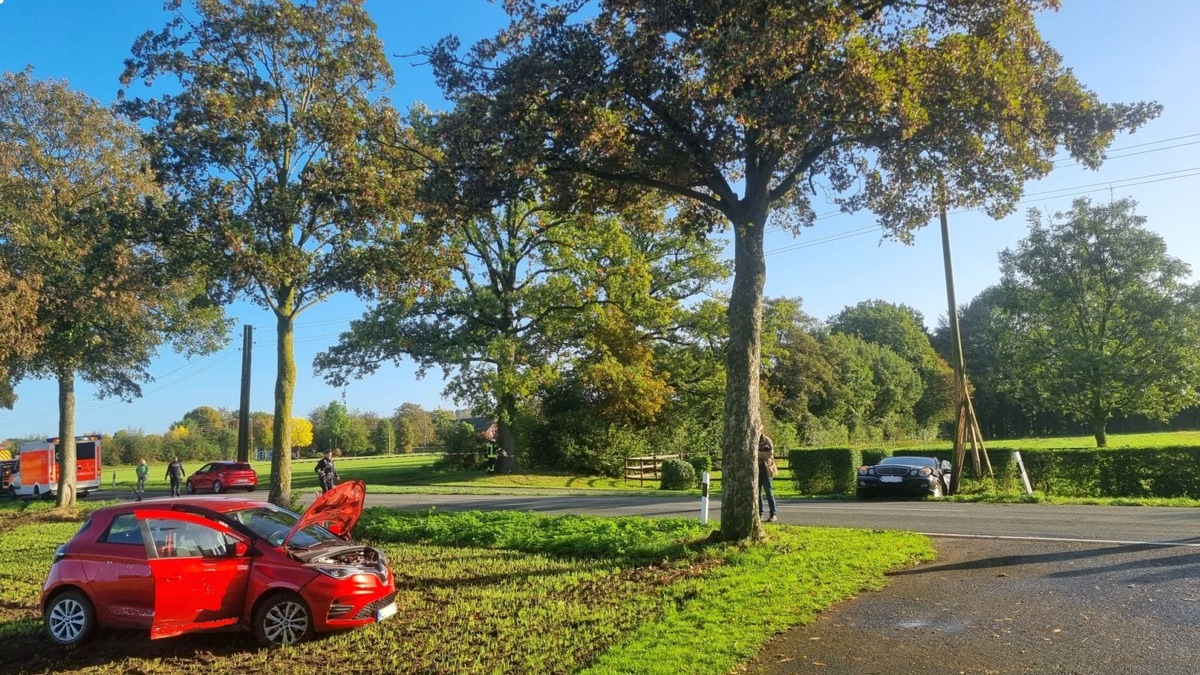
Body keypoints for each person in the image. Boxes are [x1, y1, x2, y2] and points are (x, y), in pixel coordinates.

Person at [757, 432, 778, 522]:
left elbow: (769, 453)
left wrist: (757, 453)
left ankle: (773, 514)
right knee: (757, 493)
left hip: (766, 469)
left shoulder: (767, 440)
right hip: (756, 470)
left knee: (768, 491)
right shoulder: (753, 439)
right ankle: (760, 514)